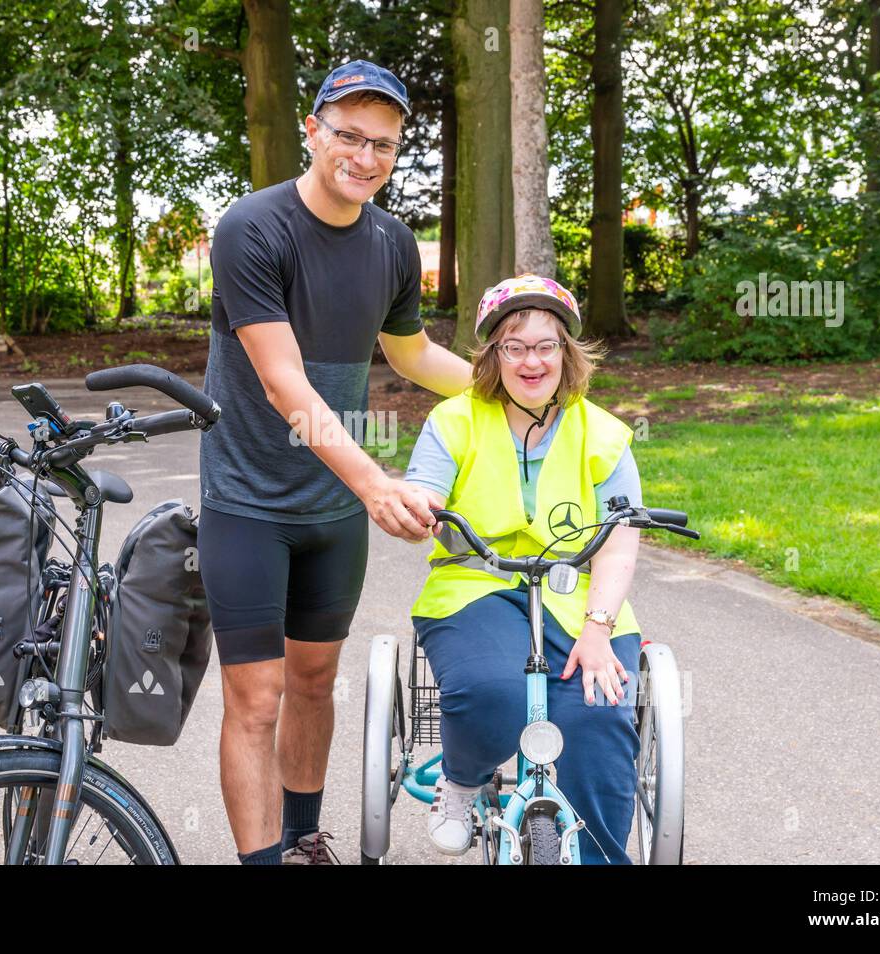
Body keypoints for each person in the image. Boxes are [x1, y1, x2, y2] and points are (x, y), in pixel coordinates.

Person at [199, 59, 472, 864]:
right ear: (313, 132)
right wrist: (374, 481)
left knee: (315, 683)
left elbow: (415, 355)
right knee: (256, 697)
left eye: (383, 144)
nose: (365, 156)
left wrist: (528, 395)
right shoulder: (253, 226)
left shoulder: (391, 243)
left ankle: (300, 838)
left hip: (331, 515)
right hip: (248, 502)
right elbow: (284, 381)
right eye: (348, 136)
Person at [403, 274, 645, 864]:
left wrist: (597, 630)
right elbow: (424, 493)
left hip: (577, 592)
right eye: (514, 346)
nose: (531, 361)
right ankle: (461, 782)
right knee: (492, 690)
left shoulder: (605, 434)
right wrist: (422, 509)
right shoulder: (454, 420)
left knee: (599, 713)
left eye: (546, 345)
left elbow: (620, 541)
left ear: (567, 353)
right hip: (474, 585)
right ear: (493, 355)